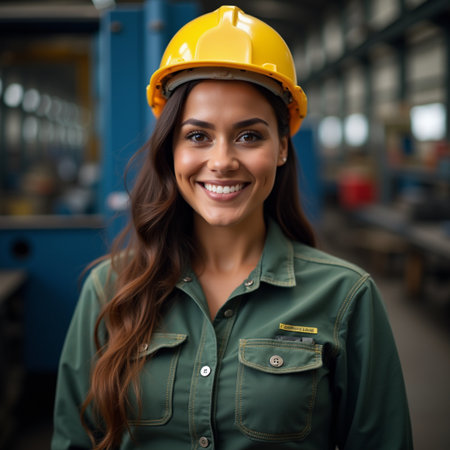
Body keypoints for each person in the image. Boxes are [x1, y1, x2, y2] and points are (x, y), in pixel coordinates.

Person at [51, 5, 413, 450]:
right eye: (198, 136)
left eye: (249, 136)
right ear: (171, 151)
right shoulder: (109, 289)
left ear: (282, 147)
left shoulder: (345, 298)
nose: (222, 162)